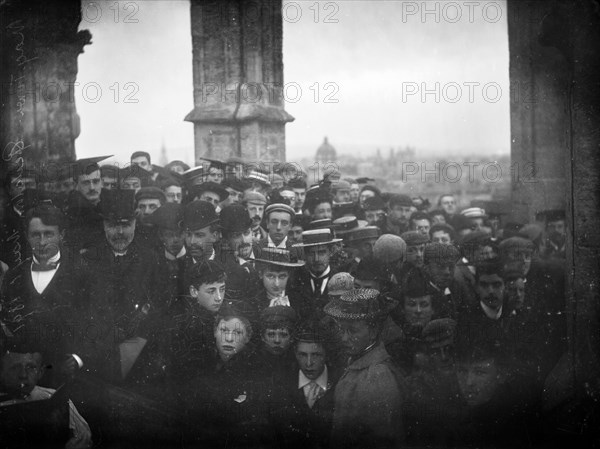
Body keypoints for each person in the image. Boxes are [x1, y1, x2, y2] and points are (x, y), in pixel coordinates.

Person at [0, 204, 88, 388]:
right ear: (26, 236)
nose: (42, 242)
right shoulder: (13, 276)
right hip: (26, 375)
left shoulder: (84, 273)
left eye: (48, 234)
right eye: (35, 235)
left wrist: (78, 357)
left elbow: (97, 322)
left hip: (67, 372)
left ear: (61, 235)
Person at [324, 288, 404, 449]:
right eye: (341, 329)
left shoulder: (376, 376)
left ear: (374, 331)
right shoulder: (358, 362)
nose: (344, 337)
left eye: (352, 330)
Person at [0, 346, 92, 448]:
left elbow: (84, 435)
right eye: (15, 367)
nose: (23, 375)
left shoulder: (52, 396)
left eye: (31, 367)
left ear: (40, 373)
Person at [270, 318, 341, 449]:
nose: (309, 363)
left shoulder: (340, 383)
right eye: (302, 355)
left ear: (326, 354)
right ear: (295, 354)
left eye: (316, 355)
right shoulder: (281, 383)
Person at [290, 229, 342, 317]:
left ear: (330, 252)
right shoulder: (296, 280)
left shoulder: (341, 280)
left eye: (321, 253)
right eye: (311, 253)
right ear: (305, 255)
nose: (316, 259)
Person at [252, 247, 305, 312]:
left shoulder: (300, 300)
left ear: (289, 275)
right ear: (260, 274)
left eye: (282, 276)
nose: (277, 284)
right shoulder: (253, 302)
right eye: (271, 276)